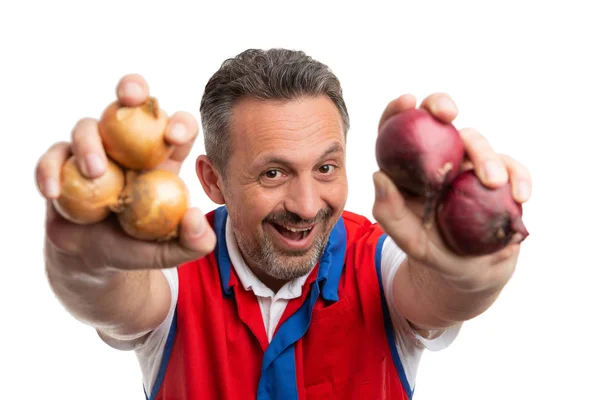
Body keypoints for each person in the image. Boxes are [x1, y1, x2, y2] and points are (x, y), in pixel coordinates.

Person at [35, 48, 532, 400]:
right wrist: (84, 263)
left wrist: (474, 267)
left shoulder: (382, 260)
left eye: (325, 168)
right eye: (273, 173)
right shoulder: (173, 265)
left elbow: (444, 292)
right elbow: (111, 297)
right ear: (213, 181)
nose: (306, 203)